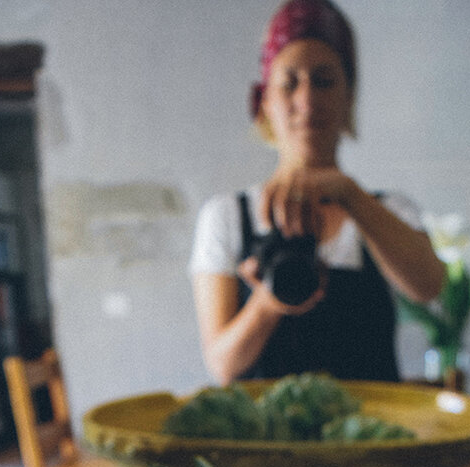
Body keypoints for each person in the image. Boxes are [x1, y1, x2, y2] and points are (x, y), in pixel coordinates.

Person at [189, 0, 444, 385]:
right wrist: (269, 302)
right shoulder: (226, 217)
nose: (307, 101)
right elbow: (223, 365)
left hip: (366, 439)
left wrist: (349, 195)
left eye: (324, 81)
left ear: (349, 96)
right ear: (265, 102)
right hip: (265, 441)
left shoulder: (387, 210)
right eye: (289, 82)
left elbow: (428, 286)